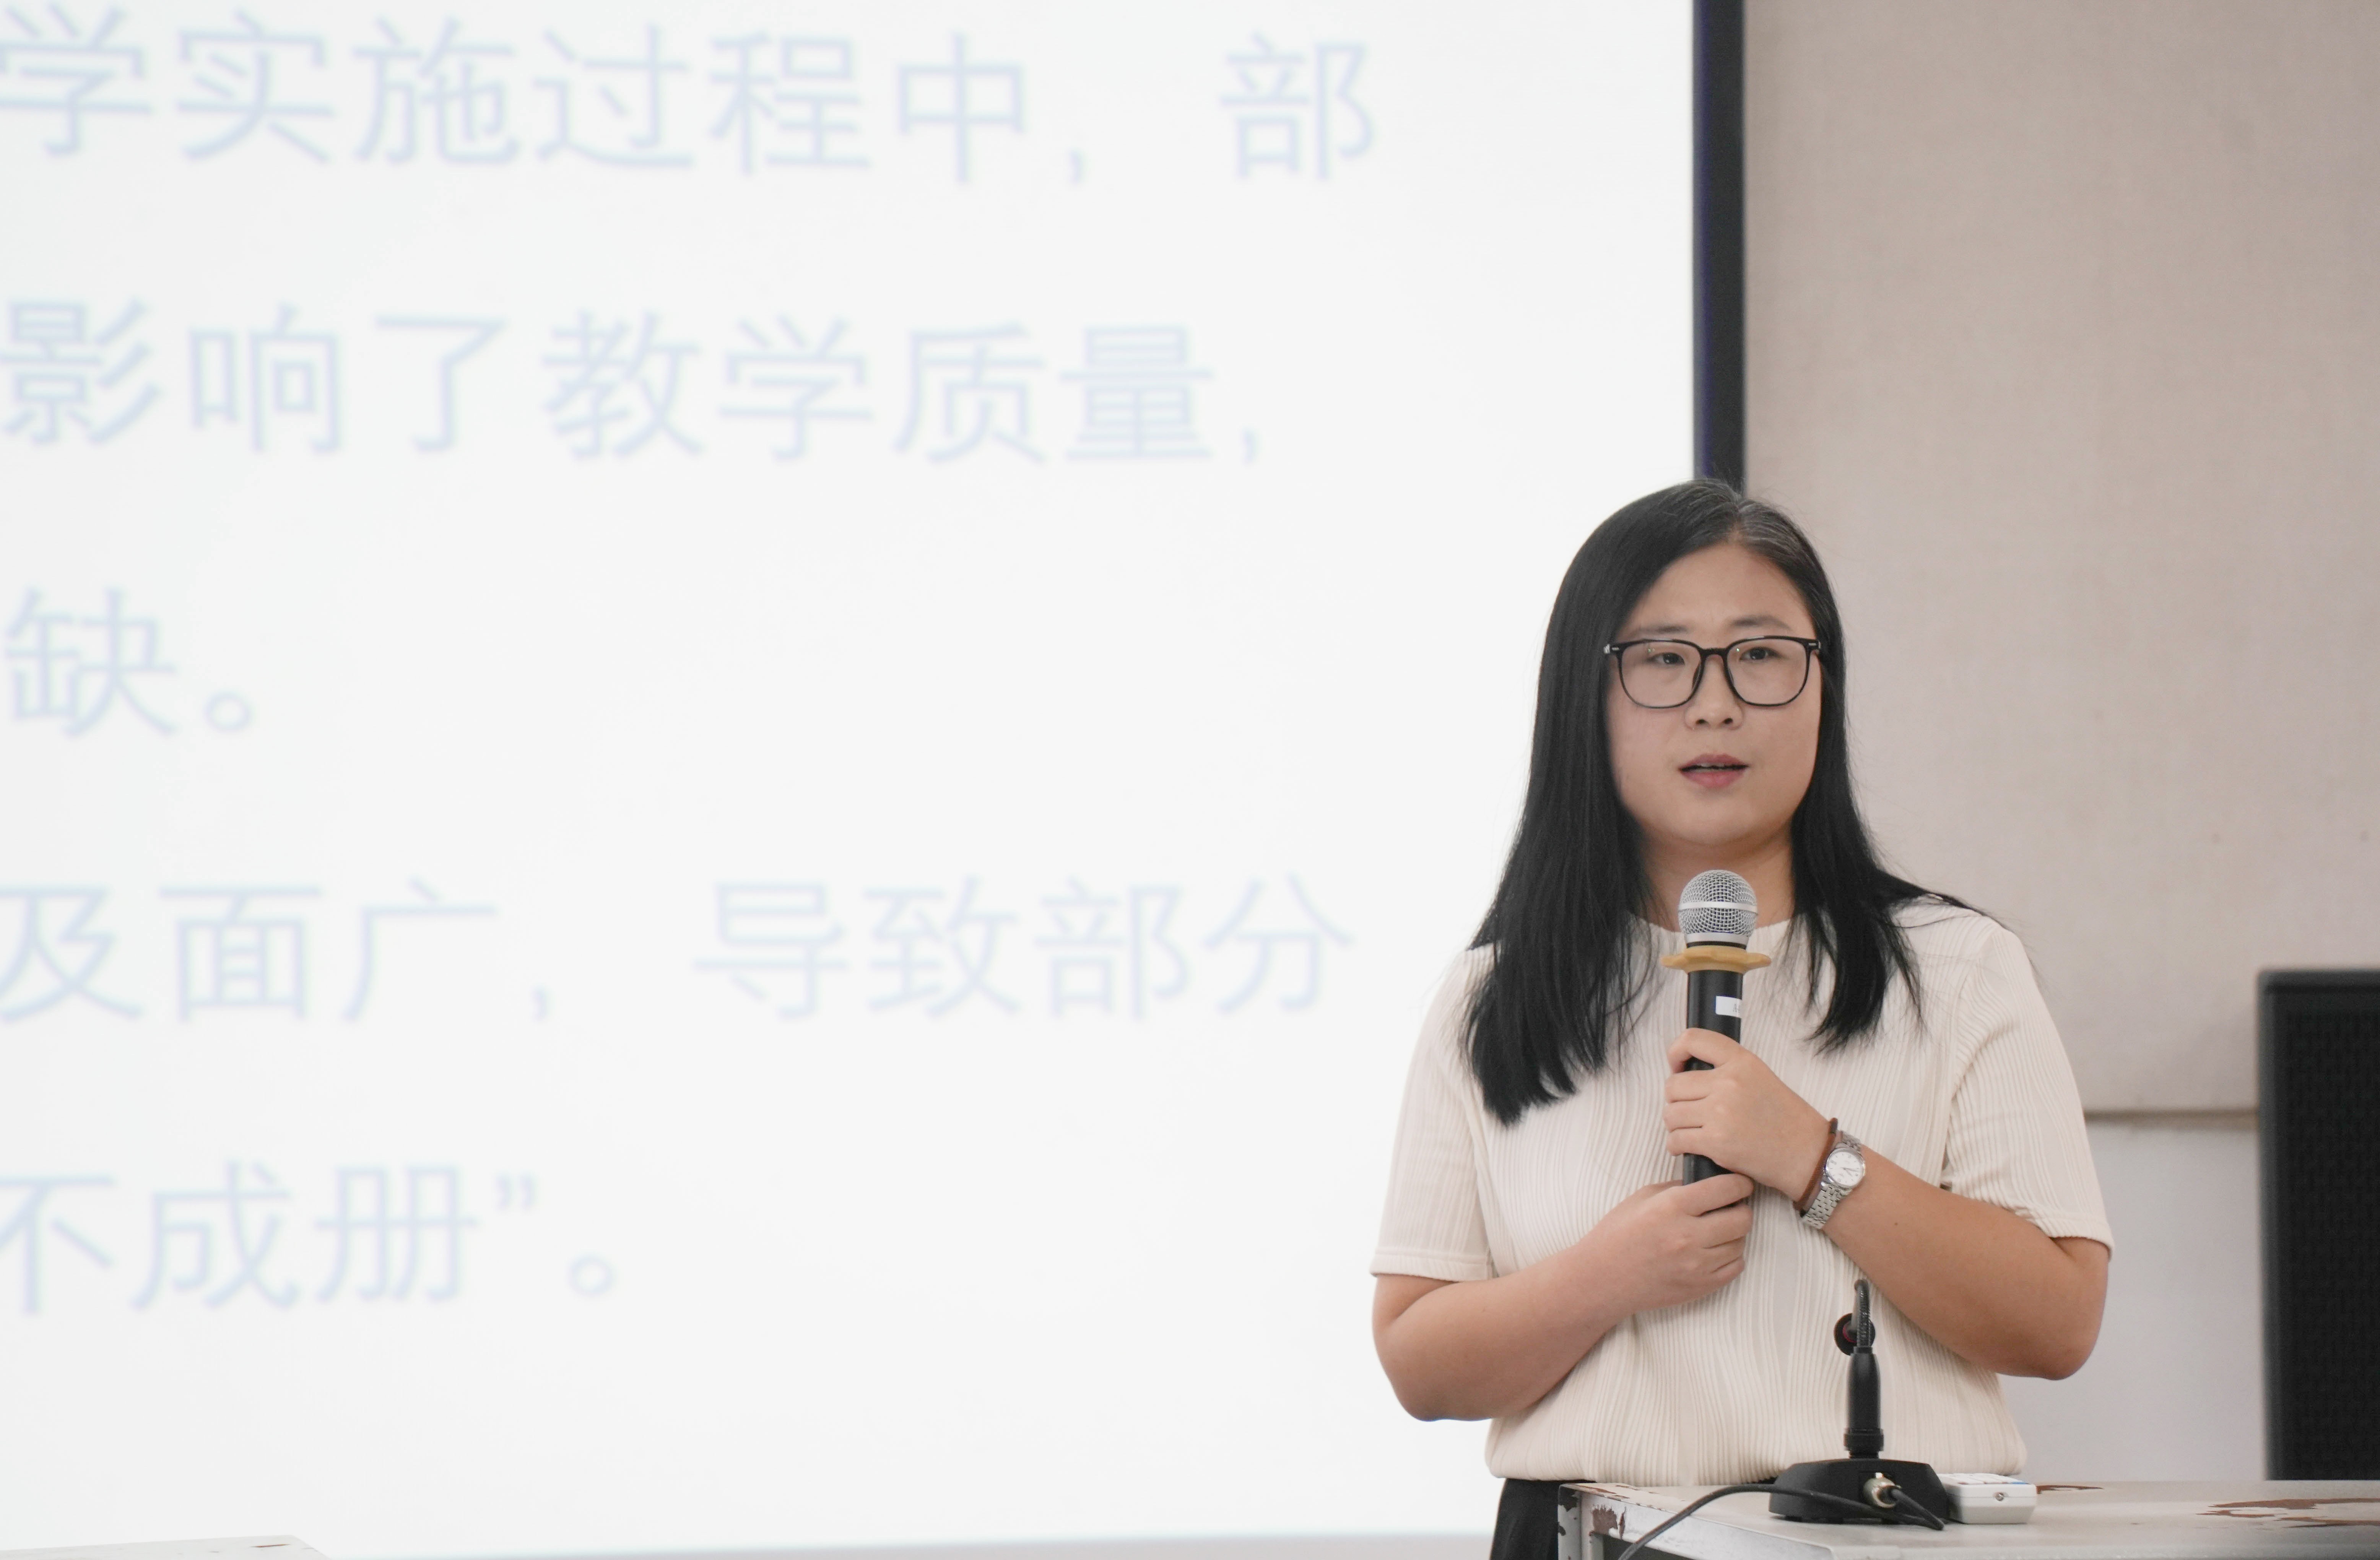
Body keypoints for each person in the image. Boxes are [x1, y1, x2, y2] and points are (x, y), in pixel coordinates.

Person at [1369, 481, 2111, 1560]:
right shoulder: (1498, 994)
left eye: (1760, 656)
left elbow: (2057, 1323)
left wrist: (1814, 1160)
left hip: (1879, 1538)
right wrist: (1608, 1277)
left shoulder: (1958, 970)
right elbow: (1419, 1363)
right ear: (1587, 696)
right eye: (1664, 659)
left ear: (1824, 687)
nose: (1714, 705)